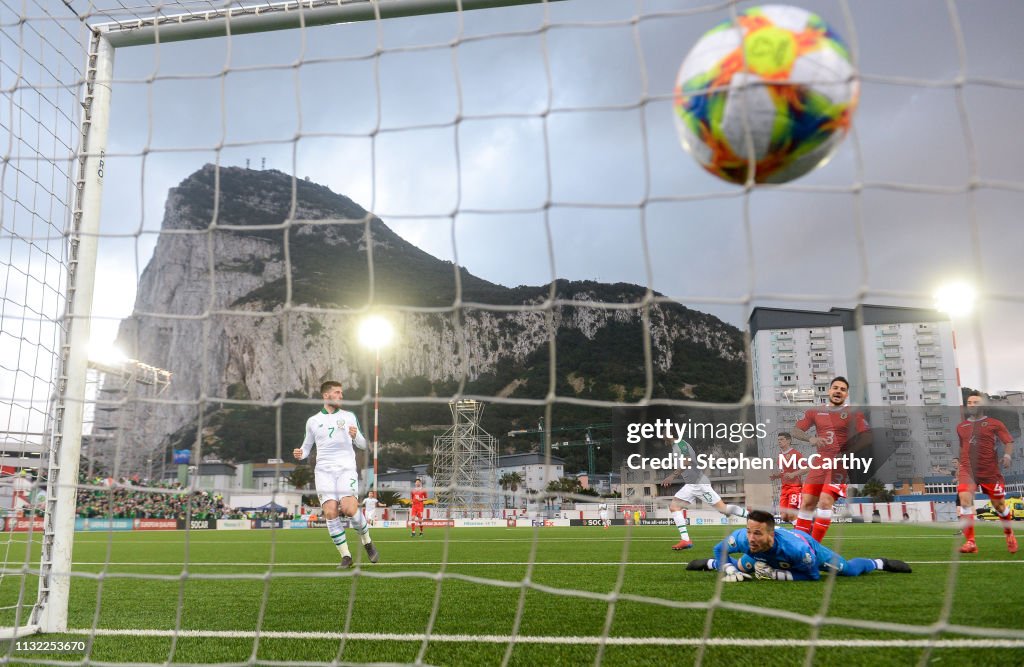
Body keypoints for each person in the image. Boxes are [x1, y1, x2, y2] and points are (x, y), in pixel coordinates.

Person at [293, 380, 379, 568]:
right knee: (330, 512)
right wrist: (300, 453)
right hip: (323, 471)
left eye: (341, 392)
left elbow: (364, 445)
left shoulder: (349, 416)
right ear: (326, 396)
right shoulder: (313, 421)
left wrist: (356, 435)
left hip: (346, 469)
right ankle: (346, 556)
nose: (341, 396)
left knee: (349, 509)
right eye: (337, 392)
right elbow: (306, 447)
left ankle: (367, 542)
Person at [687, 509, 912, 581]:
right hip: (765, 559)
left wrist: (777, 575)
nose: (751, 538)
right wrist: (727, 567)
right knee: (742, 568)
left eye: (757, 533)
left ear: (771, 534)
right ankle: (711, 564)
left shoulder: (797, 550)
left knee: (849, 571)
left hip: (812, 551)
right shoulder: (743, 539)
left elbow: (813, 575)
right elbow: (721, 548)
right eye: (749, 531)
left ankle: (879, 563)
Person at [790, 376, 870, 541]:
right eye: (835, 388)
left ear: (846, 394)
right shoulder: (815, 412)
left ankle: (814, 547)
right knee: (807, 504)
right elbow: (795, 431)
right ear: (829, 391)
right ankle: (800, 545)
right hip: (820, 462)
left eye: (842, 389)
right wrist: (811, 439)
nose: (838, 391)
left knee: (825, 502)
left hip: (839, 464)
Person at [955, 391, 1017, 554]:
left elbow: (1008, 441)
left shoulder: (994, 423)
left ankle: (1009, 533)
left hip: (990, 471)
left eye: (976, 402)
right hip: (968, 470)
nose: (972, 405)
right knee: (965, 500)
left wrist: (1007, 456)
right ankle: (970, 542)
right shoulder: (961, 427)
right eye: (969, 402)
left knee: (1000, 507)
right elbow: (963, 448)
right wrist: (959, 467)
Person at [660, 438, 748, 551]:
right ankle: (685, 540)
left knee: (723, 509)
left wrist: (672, 476)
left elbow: (687, 461)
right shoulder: (675, 446)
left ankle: (751, 516)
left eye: (663, 433)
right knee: (674, 507)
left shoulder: (681, 443)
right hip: (691, 485)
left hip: (699, 484)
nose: (661, 436)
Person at [769, 432, 805, 523]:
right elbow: (783, 473)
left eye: (782, 439)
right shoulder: (779, 455)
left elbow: (807, 468)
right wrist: (775, 476)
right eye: (778, 440)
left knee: (792, 514)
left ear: (789, 441)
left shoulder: (795, 454)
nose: (779, 442)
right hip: (784, 488)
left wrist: (794, 474)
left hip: (795, 488)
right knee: (784, 516)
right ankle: (804, 524)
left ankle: (801, 533)